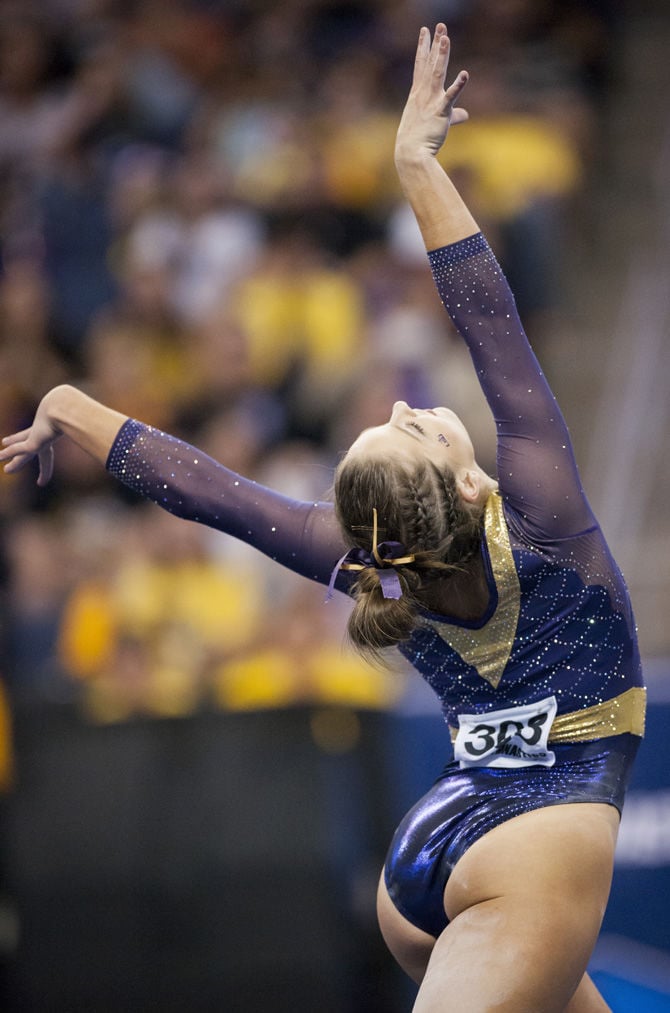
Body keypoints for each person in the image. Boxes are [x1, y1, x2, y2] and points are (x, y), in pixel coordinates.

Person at [1, 24, 644, 1013]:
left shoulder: (371, 564)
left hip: (434, 858)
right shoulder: (543, 521)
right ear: (468, 488)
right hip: (533, 843)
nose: (397, 406)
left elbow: (221, 495)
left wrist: (76, 409)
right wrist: (414, 166)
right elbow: (489, 323)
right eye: (408, 431)